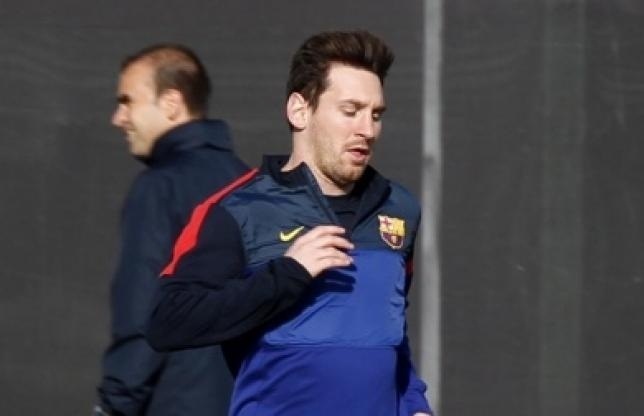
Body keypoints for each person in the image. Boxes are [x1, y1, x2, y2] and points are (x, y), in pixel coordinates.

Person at [147, 31, 433, 416]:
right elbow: (168, 322)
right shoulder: (238, 209)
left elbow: (389, 333)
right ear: (300, 110)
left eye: (376, 114)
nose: (367, 129)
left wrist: (414, 404)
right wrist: (288, 274)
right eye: (350, 111)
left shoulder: (399, 208)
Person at [95, 44, 248, 416]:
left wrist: (113, 406)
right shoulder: (252, 186)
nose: (118, 118)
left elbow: (143, 315)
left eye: (128, 102)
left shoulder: (160, 187)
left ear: (171, 103)